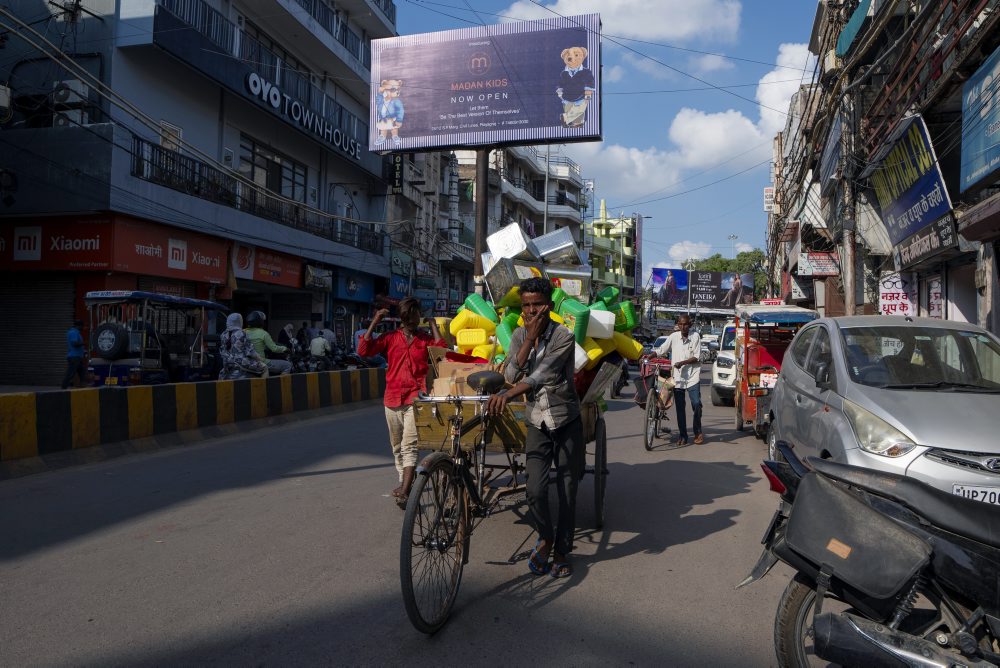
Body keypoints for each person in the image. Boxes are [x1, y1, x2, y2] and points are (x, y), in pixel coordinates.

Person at [487, 277, 583, 579]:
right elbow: (512, 372)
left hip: (565, 419)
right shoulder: (517, 335)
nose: (531, 312)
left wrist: (507, 395)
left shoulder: (564, 336)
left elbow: (543, 374)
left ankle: (561, 551)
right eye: (526, 306)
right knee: (534, 490)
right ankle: (546, 535)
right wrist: (528, 339)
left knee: (567, 490)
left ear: (549, 307)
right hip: (536, 420)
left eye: (537, 305)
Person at [358, 297, 445, 506]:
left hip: (415, 398)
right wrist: (374, 322)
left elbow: (442, 350)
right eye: (409, 319)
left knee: (409, 445)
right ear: (403, 319)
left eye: (415, 319)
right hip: (392, 398)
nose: (412, 323)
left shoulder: (424, 340)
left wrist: (433, 324)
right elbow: (363, 351)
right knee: (397, 447)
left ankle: (406, 490)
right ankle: (403, 480)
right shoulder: (390, 338)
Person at [655, 314, 704, 446]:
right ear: (678, 324)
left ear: (690, 325)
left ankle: (698, 431)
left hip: (693, 376)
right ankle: (683, 435)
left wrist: (682, 363)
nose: (683, 327)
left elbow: (696, 357)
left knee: (697, 404)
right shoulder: (673, 337)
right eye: (680, 324)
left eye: (685, 324)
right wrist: (651, 354)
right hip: (678, 378)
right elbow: (662, 349)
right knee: (680, 408)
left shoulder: (695, 337)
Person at [219, 313, 267, 379]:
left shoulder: (223, 334)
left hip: (227, 364)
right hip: (242, 363)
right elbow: (250, 352)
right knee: (265, 368)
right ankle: (263, 387)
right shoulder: (242, 333)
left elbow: (223, 350)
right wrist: (259, 358)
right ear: (240, 321)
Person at [244, 311, 292, 375]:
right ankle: (280, 384)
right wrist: (285, 349)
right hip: (260, 362)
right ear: (260, 322)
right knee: (287, 365)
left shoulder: (243, 331)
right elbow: (274, 348)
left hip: (246, 362)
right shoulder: (263, 333)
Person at [61, 319, 88, 389]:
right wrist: (84, 343)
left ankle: (83, 384)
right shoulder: (73, 333)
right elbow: (74, 343)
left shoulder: (76, 332)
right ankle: (64, 387)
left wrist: (84, 351)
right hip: (74, 357)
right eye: (82, 326)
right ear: (78, 326)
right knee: (71, 373)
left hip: (77, 356)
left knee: (82, 371)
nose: (83, 328)